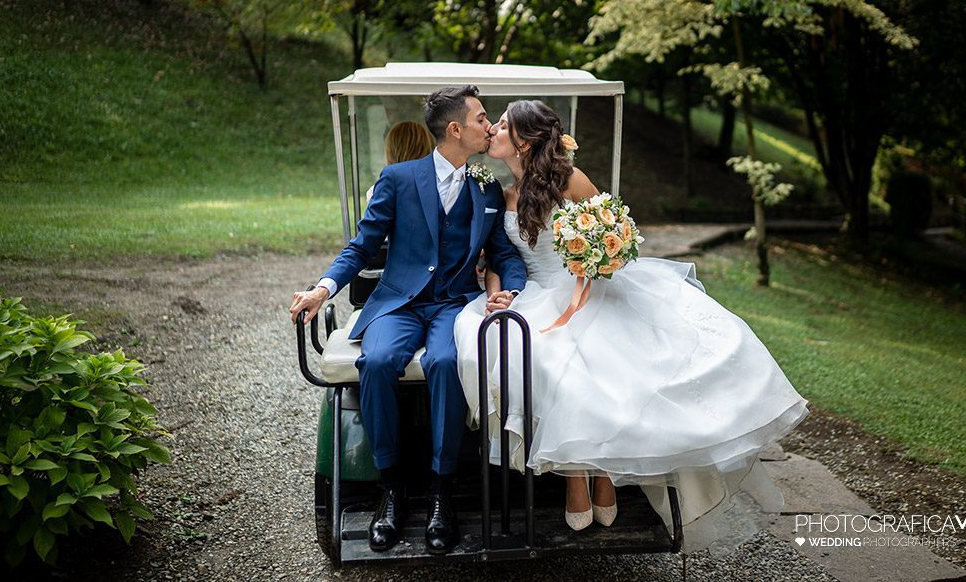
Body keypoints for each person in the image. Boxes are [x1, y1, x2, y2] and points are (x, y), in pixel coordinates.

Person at [453, 100, 809, 553]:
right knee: (544, 356)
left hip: (591, 286)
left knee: (602, 360)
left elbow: (613, 230)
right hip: (540, 295)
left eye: (501, 125)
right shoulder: (502, 195)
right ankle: (580, 475)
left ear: (522, 140)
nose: (493, 131)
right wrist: (493, 286)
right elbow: (502, 257)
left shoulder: (570, 180)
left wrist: (597, 258)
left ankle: (603, 472)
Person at [289, 85, 527, 555]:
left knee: (446, 361)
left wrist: (511, 292)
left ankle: (442, 492)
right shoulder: (398, 178)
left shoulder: (487, 187)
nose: (490, 125)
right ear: (455, 129)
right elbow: (361, 246)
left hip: (454, 304)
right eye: (482, 118)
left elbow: (504, 254)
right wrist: (322, 288)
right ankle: (391, 490)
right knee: (376, 361)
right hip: (397, 303)